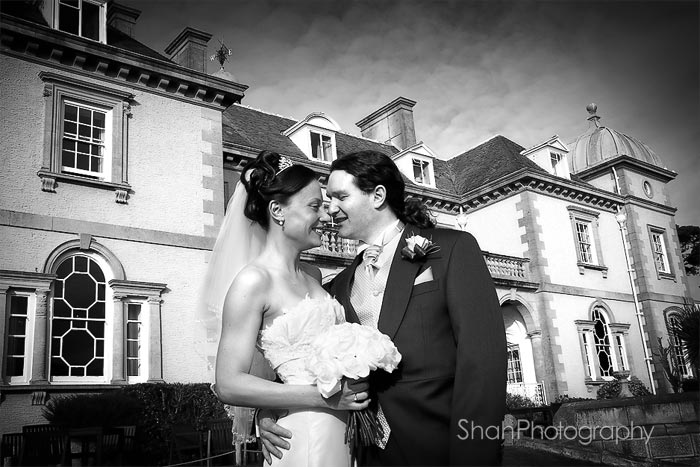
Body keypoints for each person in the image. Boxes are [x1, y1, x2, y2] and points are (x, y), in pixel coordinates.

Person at [259, 150, 507, 466]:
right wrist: (267, 408)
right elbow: (300, 353)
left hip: (438, 449)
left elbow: (483, 364)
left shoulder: (451, 249)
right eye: (326, 200)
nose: (330, 210)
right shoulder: (338, 286)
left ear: (377, 195)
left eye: (340, 197)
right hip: (363, 452)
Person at [206, 150, 371, 467]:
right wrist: (323, 397)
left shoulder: (314, 276)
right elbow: (228, 382)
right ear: (278, 210)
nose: (325, 216)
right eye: (314, 206)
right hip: (301, 434)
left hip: (343, 431)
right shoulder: (253, 281)